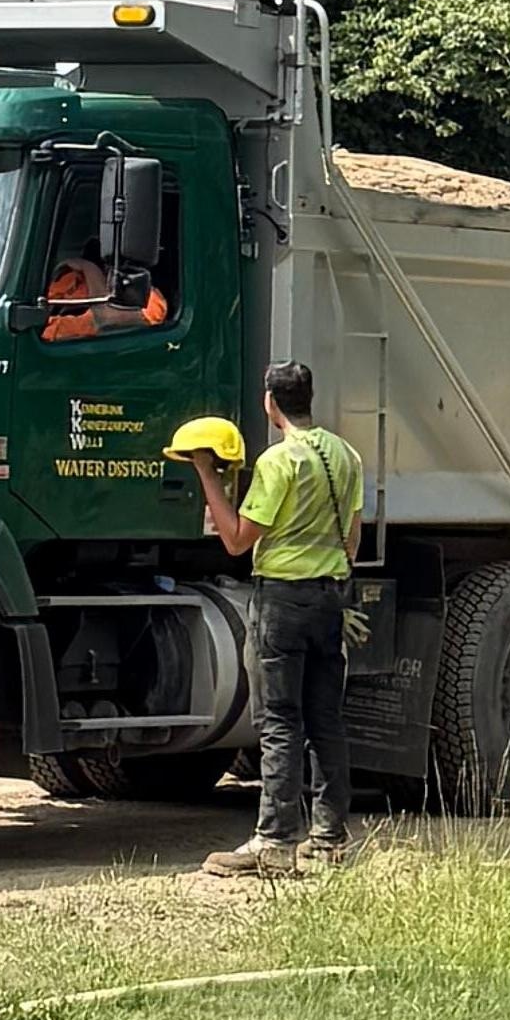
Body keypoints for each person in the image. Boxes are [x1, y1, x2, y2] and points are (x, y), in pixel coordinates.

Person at [176, 358, 366, 878]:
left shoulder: (279, 463)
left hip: (282, 601)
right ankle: (330, 838)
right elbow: (352, 539)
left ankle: (274, 842)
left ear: (270, 403)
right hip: (330, 600)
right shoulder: (345, 456)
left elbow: (237, 539)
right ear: (310, 398)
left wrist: (204, 472)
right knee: (326, 719)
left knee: (279, 721)